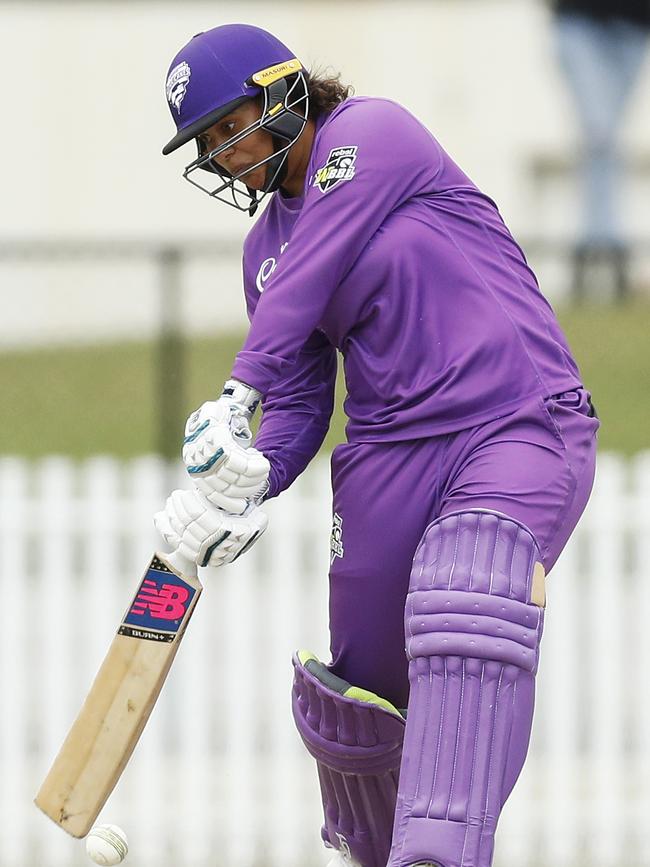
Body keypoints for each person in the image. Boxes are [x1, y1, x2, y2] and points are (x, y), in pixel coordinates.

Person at [154, 23, 599, 867]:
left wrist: (234, 391)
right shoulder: (262, 254)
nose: (225, 152)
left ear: (283, 88)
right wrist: (245, 481)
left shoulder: (372, 134)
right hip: (386, 457)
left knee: (468, 588)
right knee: (355, 704)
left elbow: (318, 266)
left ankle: (437, 856)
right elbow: (300, 405)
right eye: (208, 144)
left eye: (231, 122)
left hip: (512, 417)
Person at [550, 0, 650, 299]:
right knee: (599, 132)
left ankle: (595, 245)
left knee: (607, 142)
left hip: (634, 26)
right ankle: (605, 246)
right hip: (580, 22)